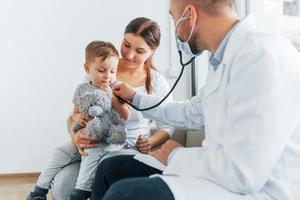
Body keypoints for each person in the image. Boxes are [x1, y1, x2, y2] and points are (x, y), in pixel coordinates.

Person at [93, 0, 300, 200]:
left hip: (254, 190)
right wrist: (135, 97)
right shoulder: (221, 60)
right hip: (218, 175)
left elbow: (242, 173)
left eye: (174, 18)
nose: (175, 27)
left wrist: (175, 155)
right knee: (111, 169)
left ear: (189, 16)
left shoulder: (261, 57)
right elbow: (192, 113)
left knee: (126, 194)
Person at [49, 17, 175, 200]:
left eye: (139, 51)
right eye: (126, 44)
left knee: (104, 173)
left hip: (125, 147)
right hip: (92, 144)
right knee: (62, 186)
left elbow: (168, 126)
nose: (129, 55)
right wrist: (75, 136)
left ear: (152, 52)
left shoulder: (156, 83)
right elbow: (74, 114)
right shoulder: (102, 69)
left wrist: (152, 141)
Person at [26, 41, 132, 200]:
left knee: (90, 154)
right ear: (87, 69)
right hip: (85, 137)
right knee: (59, 151)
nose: (108, 76)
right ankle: (38, 191)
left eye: (112, 71)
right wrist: (78, 118)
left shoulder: (117, 88)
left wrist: (111, 96)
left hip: (105, 141)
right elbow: (75, 113)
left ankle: (80, 193)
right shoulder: (82, 88)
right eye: (102, 70)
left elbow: (126, 116)